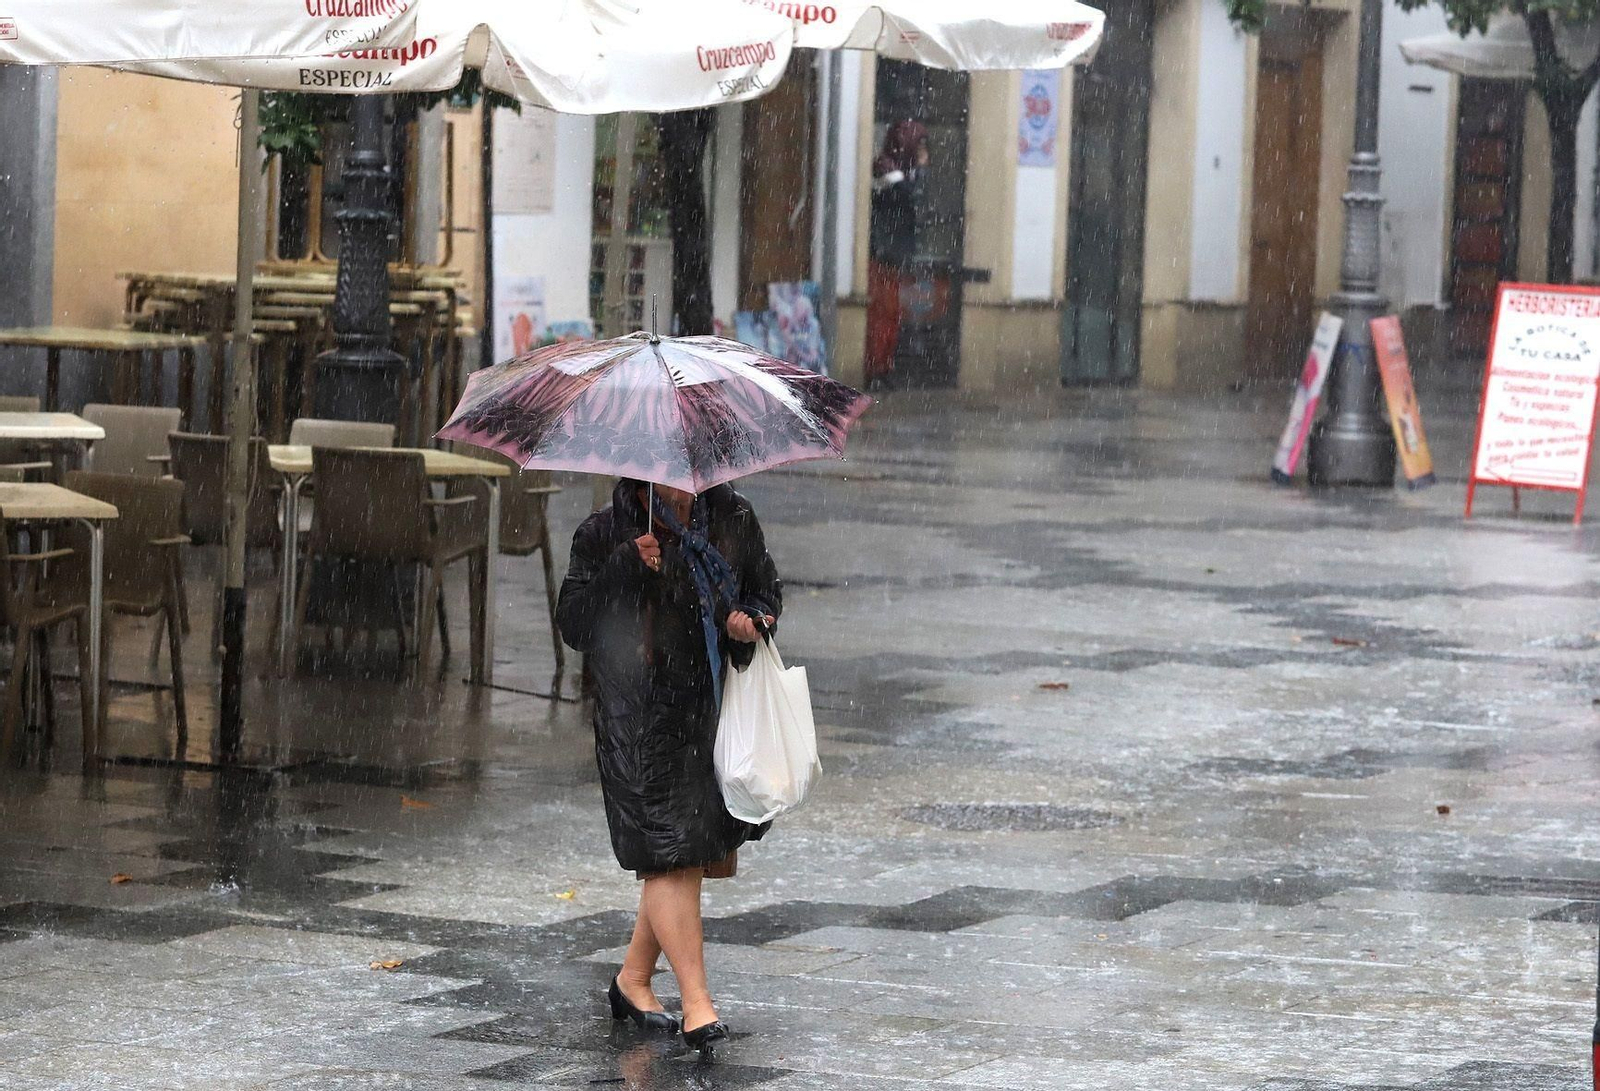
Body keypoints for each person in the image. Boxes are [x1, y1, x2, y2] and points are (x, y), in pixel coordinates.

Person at [556, 478, 782, 1056]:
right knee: (667, 852)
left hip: (706, 712)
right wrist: (626, 566)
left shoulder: (731, 517)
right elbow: (576, 625)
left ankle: (632, 981)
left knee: (687, 852)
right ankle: (697, 1003)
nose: (681, 487)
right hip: (637, 717)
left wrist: (749, 621)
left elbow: (765, 594)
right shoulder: (607, 531)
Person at [865, 119, 929, 389]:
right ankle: (875, 368)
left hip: (894, 253)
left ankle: (884, 366)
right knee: (882, 314)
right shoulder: (885, 168)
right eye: (921, 145)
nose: (924, 152)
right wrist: (921, 172)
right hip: (883, 253)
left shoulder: (904, 170)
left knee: (892, 315)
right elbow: (908, 197)